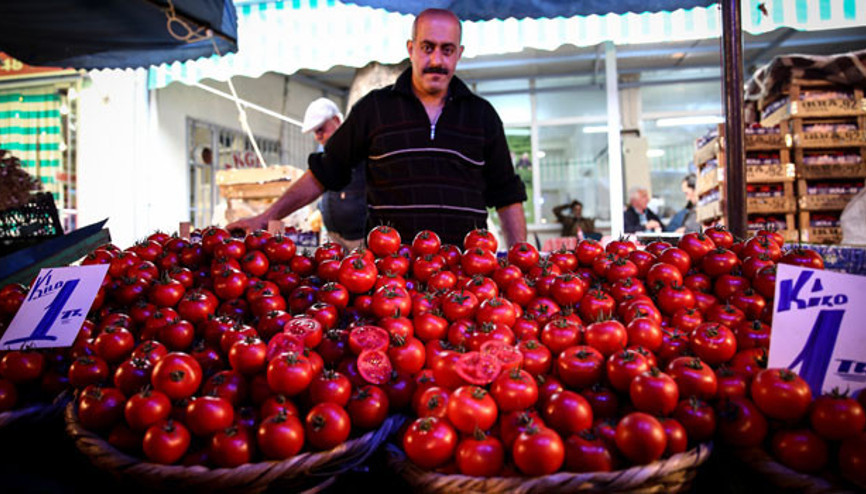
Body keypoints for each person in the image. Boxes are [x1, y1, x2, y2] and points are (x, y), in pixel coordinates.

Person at [227, 9, 527, 247]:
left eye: (447, 50)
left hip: (463, 277)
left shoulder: (482, 116)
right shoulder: (375, 109)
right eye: (427, 47)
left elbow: (507, 195)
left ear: (459, 54)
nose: (436, 60)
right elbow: (324, 171)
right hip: (390, 278)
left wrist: (520, 264)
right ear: (411, 49)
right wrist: (267, 217)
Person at [301, 98, 367, 251]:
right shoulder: (322, 151)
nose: (317, 136)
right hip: (334, 235)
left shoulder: (360, 146)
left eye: (320, 130)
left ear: (336, 120)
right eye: (315, 132)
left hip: (359, 237)